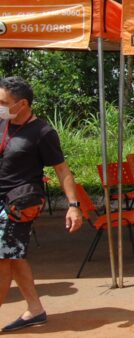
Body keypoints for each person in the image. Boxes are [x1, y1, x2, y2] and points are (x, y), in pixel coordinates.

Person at [0, 76, 83, 332]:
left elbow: (62, 169)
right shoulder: (2, 122)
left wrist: (73, 205)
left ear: (22, 104)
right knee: (14, 258)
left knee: (2, 259)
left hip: (18, 204)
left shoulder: (43, 132)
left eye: (3, 102)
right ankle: (35, 309)